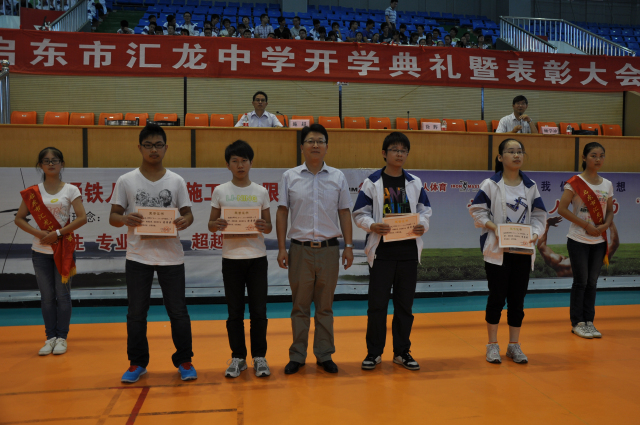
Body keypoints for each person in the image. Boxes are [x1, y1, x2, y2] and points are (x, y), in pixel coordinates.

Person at [109, 124, 197, 383]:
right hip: (138, 255)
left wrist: (185, 221)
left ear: (166, 147)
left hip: (171, 256)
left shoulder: (176, 181)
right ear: (140, 148)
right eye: (148, 145)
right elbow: (113, 216)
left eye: (158, 145)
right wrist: (125, 218)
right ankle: (137, 363)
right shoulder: (126, 180)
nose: (154, 150)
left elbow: (188, 214)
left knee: (178, 312)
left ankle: (184, 360)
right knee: (136, 313)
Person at [276, 124, 354, 375]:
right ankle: (297, 356)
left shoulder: (338, 177)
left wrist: (349, 246)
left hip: (329, 250)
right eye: (310, 141)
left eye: (320, 141)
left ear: (327, 147)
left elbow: (344, 212)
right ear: (302, 147)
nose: (316, 145)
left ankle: (324, 354)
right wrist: (281, 248)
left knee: (325, 307)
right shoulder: (290, 176)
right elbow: (282, 212)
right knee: (299, 307)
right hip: (299, 250)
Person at [352, 133, 432, 371]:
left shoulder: (415, 182)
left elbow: (425, 210)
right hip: (382, 253)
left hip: (408, 253)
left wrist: (423, 225)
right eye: (394, 149)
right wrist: (372, 225)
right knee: (377, 306)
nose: (399, 154)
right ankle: (374, 353)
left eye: (403, 150)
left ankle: (402, 352)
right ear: (384, 153)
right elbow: (360, 213)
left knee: (404, 306)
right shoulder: (372, 182)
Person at [469, 138, 547, 364]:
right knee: (496, 298)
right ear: (500, 157)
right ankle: (492, 345)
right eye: (511, 151)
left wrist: (535, 234)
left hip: (522, 250)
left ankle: (514, 345)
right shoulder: (490, 184)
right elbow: (477, 212)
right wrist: (496, 229)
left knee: (517, 300)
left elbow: (539, 216)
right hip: (497, 251)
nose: (516, 155)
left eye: (519, 151)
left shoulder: (530, 186)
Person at [208, 141, 273, 378]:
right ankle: (238, 357)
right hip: (231, 258)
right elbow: (211, 224)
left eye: (244, 160)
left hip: (257, 258)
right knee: (234, 311)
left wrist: (264, 225)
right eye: (235, 161)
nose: (240, 165)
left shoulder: (261, 191)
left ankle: (259, 357)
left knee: (259, 311)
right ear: (228, 165)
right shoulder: (220, 191)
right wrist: (217, 224)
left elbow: (269, 226)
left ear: (251, 163)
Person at [14, 147, 87, 356]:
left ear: (62, 164)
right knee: (46, 297)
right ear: (40, 165)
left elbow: (82, 218)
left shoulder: (71, 190)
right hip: (40, 251)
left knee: (63, 296)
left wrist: (57, 233)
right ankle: (50, 338)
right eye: (46, 161)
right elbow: (19, 218)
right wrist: (38, 233)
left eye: (55, 160)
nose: (51, 164)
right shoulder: (33, 192)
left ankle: (62, 337)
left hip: (63, 250)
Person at [558, 142, 613, 339]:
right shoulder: (575, 182)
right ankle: (577, 323)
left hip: (599, 241)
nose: (598, 159)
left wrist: (606, 225)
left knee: (592, 282)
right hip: (578, 239)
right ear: (584, 158)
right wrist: (586, 225)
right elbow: (562, 209)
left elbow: (609, 211)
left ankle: (589, 321)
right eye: (593, 155)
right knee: (581, 281)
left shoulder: (607, 184)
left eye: (601, 155)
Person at [537, 217, 619, 278]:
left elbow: (541, 246)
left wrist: (547, 224)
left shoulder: (560, 263)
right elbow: (614, 244)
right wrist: (610, 222)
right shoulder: (592, 261)